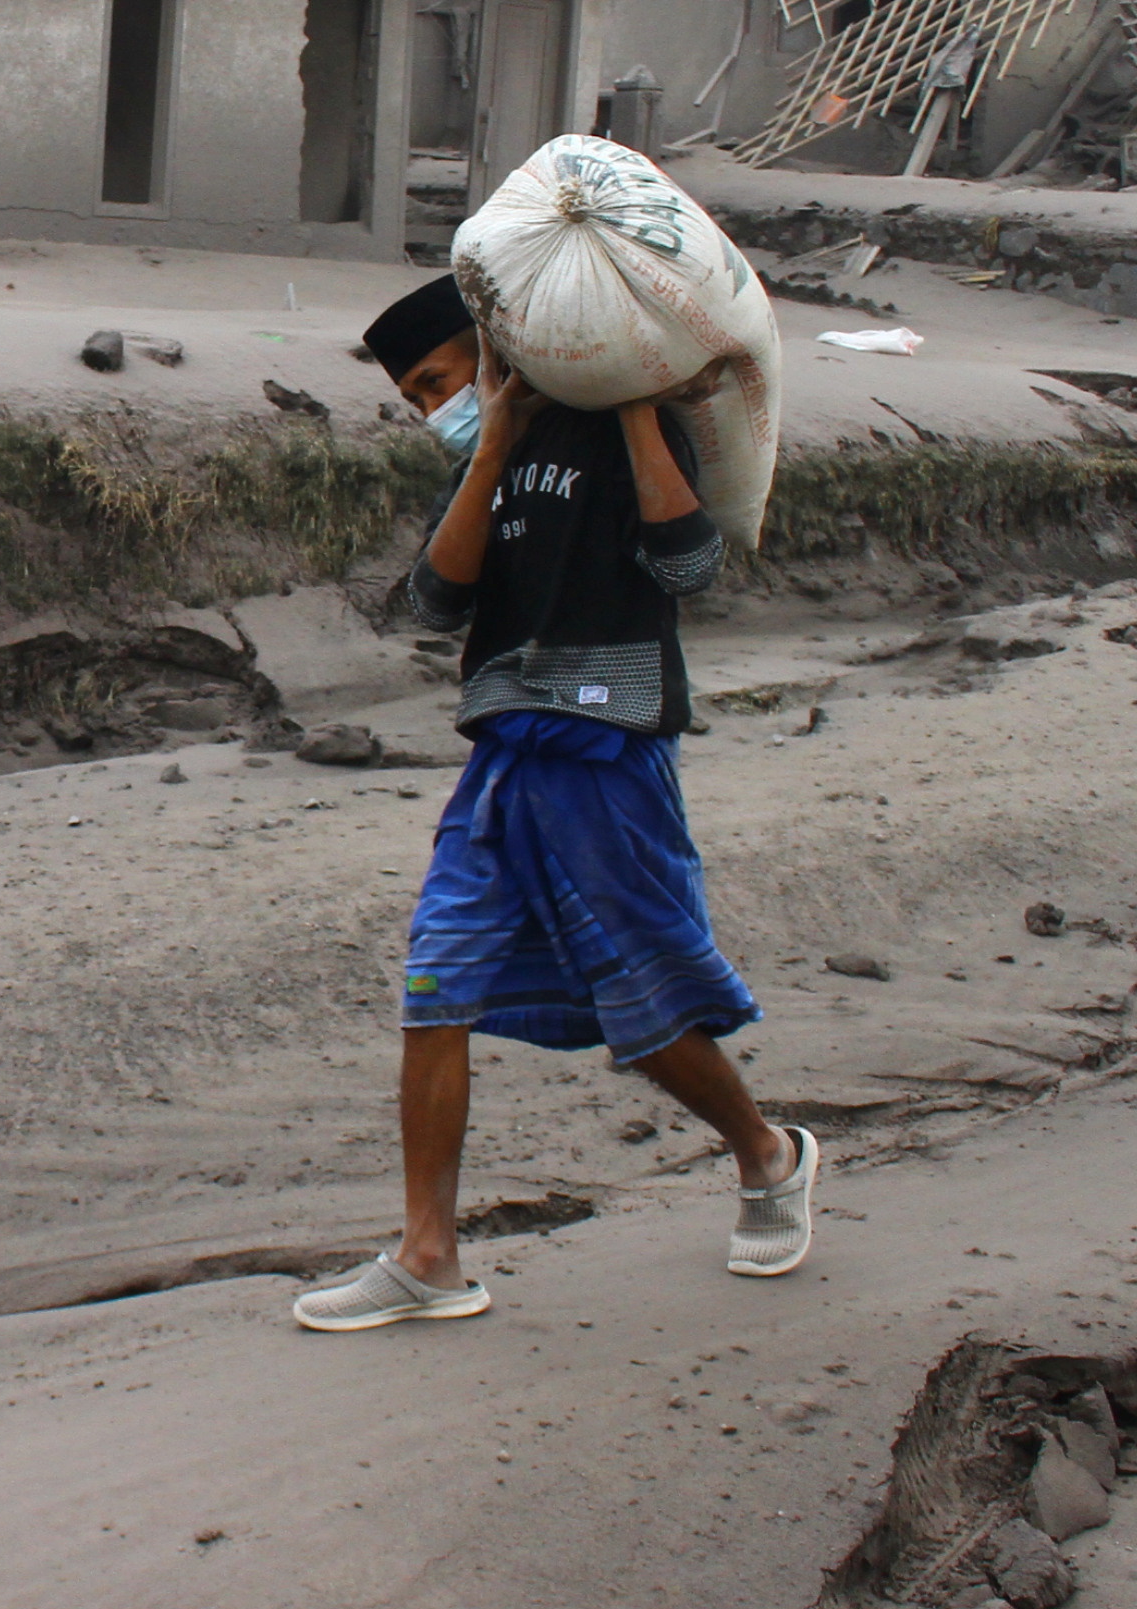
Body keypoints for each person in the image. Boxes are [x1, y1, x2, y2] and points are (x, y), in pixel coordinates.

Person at [292, 273, 815, 1330]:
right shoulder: (489, 459)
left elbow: (689, 561)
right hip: (504, 761)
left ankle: (769, 1154)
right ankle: (429, 1256)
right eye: (413, 399)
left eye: (440, 379)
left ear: (491, 350)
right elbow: (439, 599)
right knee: (435, 980)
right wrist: (488, 444)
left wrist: (626, 402)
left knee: (645, 1003)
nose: (431, 406)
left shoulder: (624, 428)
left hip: (608, 753)